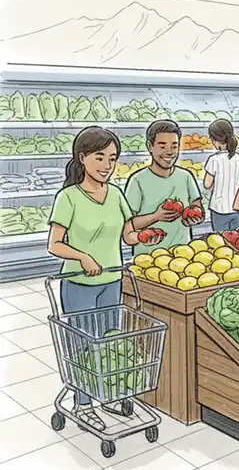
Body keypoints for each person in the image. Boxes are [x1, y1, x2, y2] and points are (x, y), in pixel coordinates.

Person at [47, 126, 162, 430]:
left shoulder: (116, 195)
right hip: (79, 284)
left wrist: (144, 236)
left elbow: (128, 233)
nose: (107, 166)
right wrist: (83, 256)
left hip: (112, 280)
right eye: (100, 158)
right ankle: (83, 403)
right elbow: (54, 244)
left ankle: (107, 394)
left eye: (112, 159)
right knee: (83, 343)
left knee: (111, 342)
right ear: (82, 157)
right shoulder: (68, 198)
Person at [124, 120, 204, 255]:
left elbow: (198, 209)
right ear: (150, 146)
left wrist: (194, 218)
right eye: (162, 146)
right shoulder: (137, 181)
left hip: (183, 255)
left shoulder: (186, 177)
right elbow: (127, 226)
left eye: (174, 146)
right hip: (148, 259)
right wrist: (156, 216)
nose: (169, 152)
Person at [204, 119, 239, 232]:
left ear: (214, 140)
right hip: (237, 208)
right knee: (236, 239)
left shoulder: (214, 160)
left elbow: (207, 184)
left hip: (219, 209)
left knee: (221, 242)